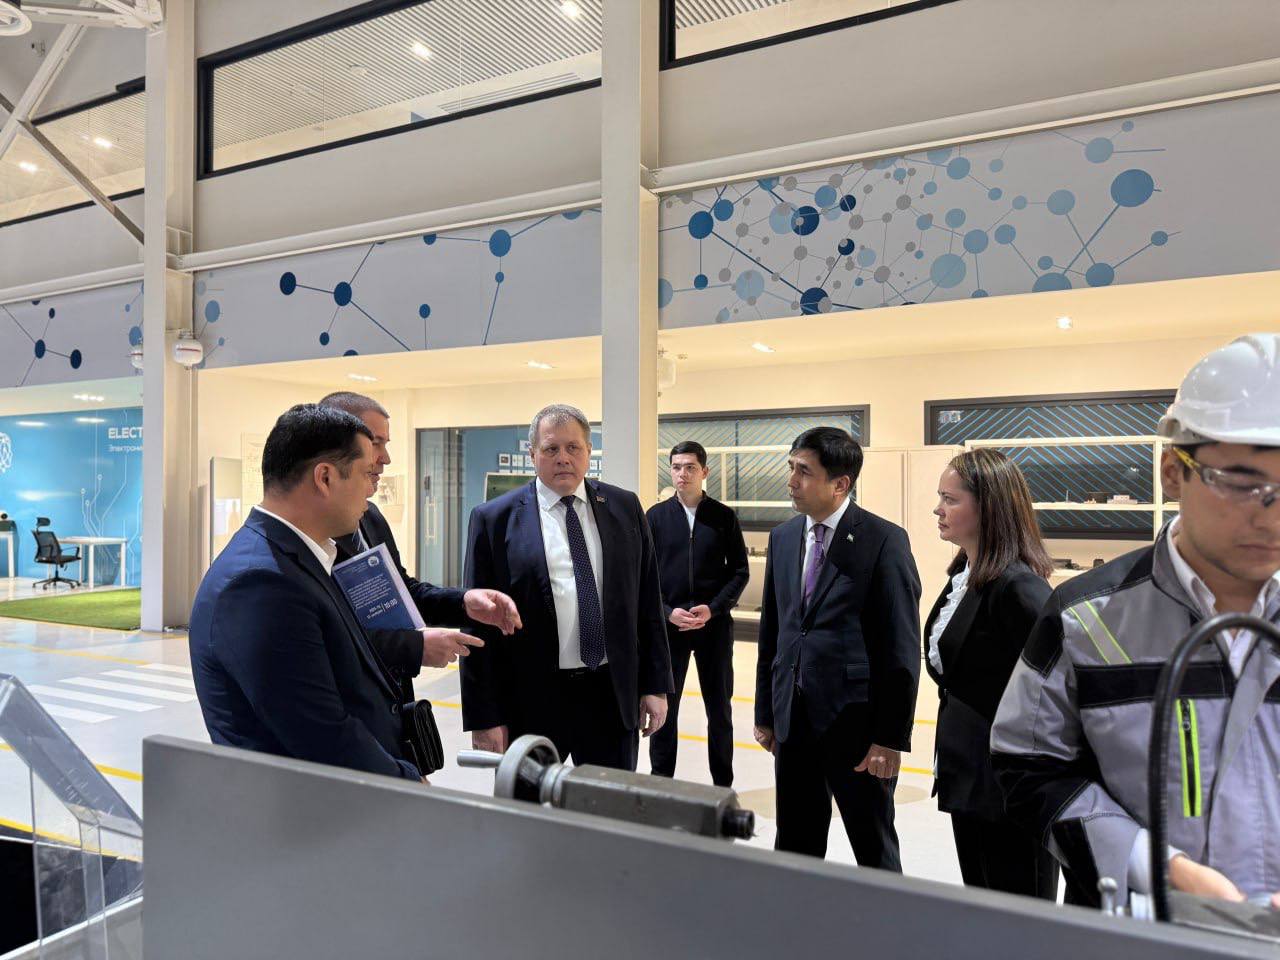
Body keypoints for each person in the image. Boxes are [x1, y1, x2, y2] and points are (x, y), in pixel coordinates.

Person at [992, 332, 1280, 909]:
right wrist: (1155, 867)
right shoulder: (1087, 618)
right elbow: (1027, 768)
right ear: (1173, 472)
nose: (1271, 516)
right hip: (1131, 925)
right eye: (1242, 483)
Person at [190, 404, 466, 780]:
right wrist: (405, 783)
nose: (371, 490)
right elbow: (319, 732)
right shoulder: (262, 583)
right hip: (312, 804)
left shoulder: (301, 557)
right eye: (366, 474)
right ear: (325, 478)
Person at [460, 403, 674, 771]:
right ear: (533, 454)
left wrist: (655, 685)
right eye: (551, 448)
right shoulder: (494, 519)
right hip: (532, 701)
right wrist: (484, 716)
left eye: (573, 447)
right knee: (529, 804)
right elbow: (478, 625)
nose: (563, 457)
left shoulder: (624, 507)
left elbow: (647, 602)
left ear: (589, 452)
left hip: (610, 695)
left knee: (607, 802)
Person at [754, 426, 921, 868]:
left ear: (840, 484)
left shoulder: (883, 540)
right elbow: (775, 633)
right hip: (794, 724)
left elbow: (901, 646)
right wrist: (766, 713)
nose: (791, 481)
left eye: (804, 472)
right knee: (795, 845)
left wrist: (889, 738)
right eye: (791, 468)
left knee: (873, 847)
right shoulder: (783, 538)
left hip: (857, 729)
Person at [318, 391, 522, 705]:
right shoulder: (308, 537)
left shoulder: (369, 517)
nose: (385, 458)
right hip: (341, 705)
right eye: (375, 443)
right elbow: (326, 638)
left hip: (388, 701)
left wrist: (464, 602)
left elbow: (401, 592)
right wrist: (413, 647)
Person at [925, 449, 1058, 899]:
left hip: (1009, 790)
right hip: (970, 779)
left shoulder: (1019, 587)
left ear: (989, 507)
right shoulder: (967, 574)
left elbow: (1059, 688)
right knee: (984, 909)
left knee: (1020, 917)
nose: (938, 509)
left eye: (950, 499)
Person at [646, 440, 750, 786]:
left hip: (713, 629)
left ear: (704, 472)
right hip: (670, 629)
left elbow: (739, 571)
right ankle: (661, 782)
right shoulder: (655, 517)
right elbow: (644, 576)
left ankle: (723, 786)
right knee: (665, 710)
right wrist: (666, 612)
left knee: (719, 711)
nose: (683, 474)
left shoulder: (723, 517)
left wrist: (714, 608)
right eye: (676, 467)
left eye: (690, 467)